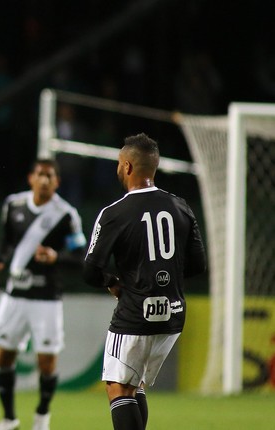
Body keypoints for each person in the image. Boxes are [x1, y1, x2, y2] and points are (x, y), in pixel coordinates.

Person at [83, 133, 207, 430]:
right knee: (135, 384)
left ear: (126, 166)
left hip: (135, 312)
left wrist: (113, 281)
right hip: (173, 315)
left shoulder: (114, 213)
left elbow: (90, 272)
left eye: (118, 164)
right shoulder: (181, 206)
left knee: (118, 387)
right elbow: (198, 265)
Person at [0, 159, 87, 430]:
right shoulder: (14, 205)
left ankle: (42, 415)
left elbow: (81, 256)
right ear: (31, 178)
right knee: (4, 357)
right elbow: (6, 241)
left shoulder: (66, 214)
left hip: (47, 296)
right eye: (40, 175)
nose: (44, 180)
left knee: (46, 360)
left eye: (50, 176)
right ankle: (9, 418)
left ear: (57, 182)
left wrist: (56, 256)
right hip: (15, 293)